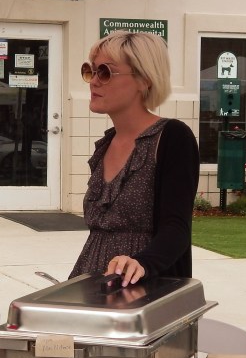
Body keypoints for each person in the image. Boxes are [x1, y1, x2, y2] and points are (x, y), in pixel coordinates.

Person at [70, 30, 199, 285]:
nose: (94, 81)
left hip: (144, 285)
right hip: (95, 281)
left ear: (144, 79)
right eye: (90, 70)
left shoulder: (172, 137)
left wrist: (142, 263)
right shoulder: (106, 144)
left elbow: (176, 228)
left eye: (105, 72)